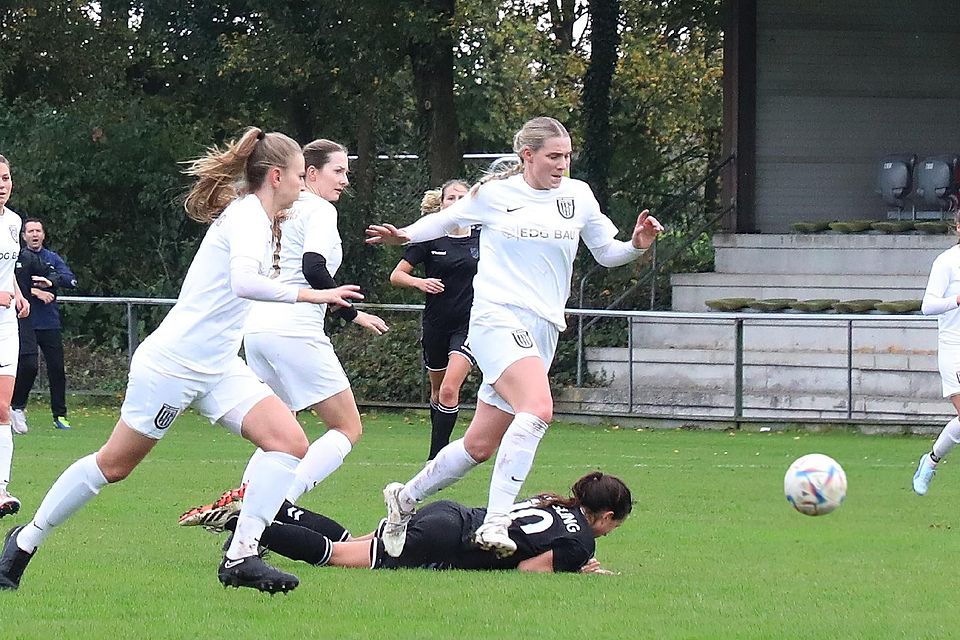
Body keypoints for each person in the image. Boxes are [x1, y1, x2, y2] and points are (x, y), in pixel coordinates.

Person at [0, 128, 363, 594]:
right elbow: (243, 283)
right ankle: (25, 541)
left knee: (289, 442)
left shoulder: (263, 213)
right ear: (277, 176)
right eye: (297, 175)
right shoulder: (249, 217)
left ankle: (240, 556)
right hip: (173, 365)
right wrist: (314, 293)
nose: (301, 185)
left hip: (219, 367)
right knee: (114, 466)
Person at [366, 116, 663, 558]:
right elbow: (445, 221)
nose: (562, 164)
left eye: (566, 156)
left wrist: (637, 245)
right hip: (496, 319)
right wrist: (404, 235)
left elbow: (607, 253)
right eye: (553, 156)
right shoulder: (496, 194)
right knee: (539, 408)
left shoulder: (577, 195)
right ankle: (495, 522)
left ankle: (404, 499)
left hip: (544, 330)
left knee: (479, 446)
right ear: (528, 156)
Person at [228, 139, 386, 511]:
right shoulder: (318, 210)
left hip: (258, 330)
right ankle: (279, 502)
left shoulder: (274, 207)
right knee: (347, 427)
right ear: (311, 173)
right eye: (339, 170)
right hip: (294, 330)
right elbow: (314, 267)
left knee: (278, 433)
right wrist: (351, 312)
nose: (345, 179)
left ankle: (241, 503)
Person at [183, 471, 632, 574]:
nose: (611, 533)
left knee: (351, 539)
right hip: (446, 539)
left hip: (450, 513)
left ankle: (276, 507)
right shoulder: (583, 544)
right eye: (616, 526)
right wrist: (579, 573)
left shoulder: (550, 501)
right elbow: (527, 571)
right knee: (337, 557)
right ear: (606, 516)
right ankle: (244, 522)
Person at [389, 179, 479, 459]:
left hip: (471, 325)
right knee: (439, 391)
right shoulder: (430, 237)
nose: (456, 202)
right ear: (441, 205)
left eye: (462, 197)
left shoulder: (485, 236)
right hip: (437, 324)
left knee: (451, 389)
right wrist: (420, 283)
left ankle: (436, 459)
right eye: (450, 198)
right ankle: (437, 443)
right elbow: (396, 275)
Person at [11, 218, 78, 432]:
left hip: (49, 323)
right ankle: (15, 406)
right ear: (23, 236)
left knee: (57, 369)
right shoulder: (17, 258)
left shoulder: (51, 258)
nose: (34, 234)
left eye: (38, 230)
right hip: (24, 321)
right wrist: (34, 291)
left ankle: (60, 415)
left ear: (43, 234)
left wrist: (51, 282)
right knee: (26, 367)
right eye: (30, 231)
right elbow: (10, 282)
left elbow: (71, 280)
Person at [913, 216, 960, 495]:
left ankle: (930, 461)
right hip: (955, 348)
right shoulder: (947, 262)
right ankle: (929, 464)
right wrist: (956, 299)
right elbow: (927, 306)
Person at [0, 155, 31, 517]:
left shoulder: (14, 222)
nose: (2, 184)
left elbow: (6, 270)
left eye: (6, 178)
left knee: (2, 407)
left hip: (6, 325)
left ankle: (2, 489)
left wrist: (17, 293)